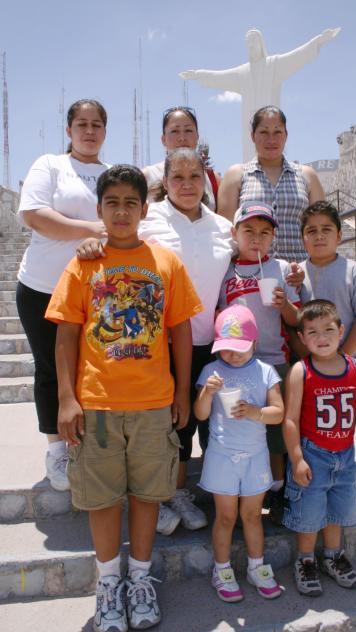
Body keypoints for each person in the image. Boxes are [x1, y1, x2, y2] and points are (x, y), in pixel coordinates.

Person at [45, 164, 203, 631]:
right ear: (99, 210)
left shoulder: (166, 263)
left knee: (150, 495)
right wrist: (66, 399)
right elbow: (66, 337)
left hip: (154, 403)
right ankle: (108, 582)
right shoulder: (84, 263)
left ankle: (140, 578)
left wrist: (180, 390)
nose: (120, 211)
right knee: (102, 498)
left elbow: (180, 332)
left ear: (144, 209)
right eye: (111, 203)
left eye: (129, 203)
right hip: (96, 404)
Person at [76, 148, 233, 536]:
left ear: (205, 179)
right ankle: (170, 494)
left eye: (194, 176)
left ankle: (215, 492)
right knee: (172, 425)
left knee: (204, 419)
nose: (186, 185)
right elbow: (115, 237)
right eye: (177, 177)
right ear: (164, 181)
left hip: (211, 342)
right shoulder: (151, 217)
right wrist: (90, 244)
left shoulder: (221, 226)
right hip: (157, 342)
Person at [15, 99, 110, 491]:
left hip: (95, 294)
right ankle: (56, 448)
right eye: (81, 124)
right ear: (69, 130)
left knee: (94, 371)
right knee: (51, 369)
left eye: (97, 125)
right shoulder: (50, 165)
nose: (89, 131)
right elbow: (36, 215)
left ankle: (93, 444)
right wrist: (94, 228)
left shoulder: (111, 173)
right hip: (42, 287)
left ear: (105, 131)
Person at [282, 300, 356, 596]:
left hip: (345, 454)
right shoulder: (301, 371)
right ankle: (306, 559)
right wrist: (297, 458)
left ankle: (333, 555)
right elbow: (290, 419)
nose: (321, 337)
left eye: (328, 330)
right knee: (310, 510)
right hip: (313, 454)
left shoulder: (355, 367)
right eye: (312, 332)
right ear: (301, 338)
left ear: (341, 331)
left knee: (337, 510)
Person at [194, 305, 284, 602]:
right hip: (222, 456)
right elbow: (200, 414)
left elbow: (278, 413)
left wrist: (256, 412)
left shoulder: (265, 371)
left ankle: (257, 568)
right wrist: (206, 392)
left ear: (255, 344)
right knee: (225, 517)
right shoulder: (211, 371)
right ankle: (222, 571)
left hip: (256, 456)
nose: (232, 355)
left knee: (252, 515)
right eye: (226, 349)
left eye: (240, 349)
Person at [218, 201, 301, 524]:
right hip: (235, 364)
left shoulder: (281, 268)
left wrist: (284, 306)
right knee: (239, 427)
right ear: (234, 233)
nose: (256, 239)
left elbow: (296, 319)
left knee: (275, 435)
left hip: (274, 360)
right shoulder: (225, 270)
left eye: (265, 233)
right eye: (249, 231)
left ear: (273, 238)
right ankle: (237, 491)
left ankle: (277, 490)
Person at [181, 27, 340, 161]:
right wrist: (199, 74)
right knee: (250, 157)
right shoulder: (243, 72)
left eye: (253, 42)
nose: (250, 45)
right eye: (248, 43)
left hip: (270, 121)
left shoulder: (274, 65)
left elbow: (297, 56)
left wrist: (318, 41)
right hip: (250, 124)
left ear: (261, 43)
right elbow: (219, 76)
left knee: (272, 151)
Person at [217, 106, 325, 263]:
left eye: (277, 132)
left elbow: (321, 226)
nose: (271, 140)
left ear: (286, 135)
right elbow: (226, 232)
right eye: (264, 132)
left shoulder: (307, 175)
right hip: (254, 276)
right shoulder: (236, 175)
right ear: (253, 136)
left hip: (300, 274)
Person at [299, 201, 356, 356]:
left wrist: (343, 355)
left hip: (344, 363)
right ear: (303, 239)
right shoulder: (295, 273)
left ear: (339, 236)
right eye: (312, 231)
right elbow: (292, 321)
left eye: (326, 229)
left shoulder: (353, 270)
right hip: (306, 365)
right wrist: (306, 358)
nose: (319, 236)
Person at [142, 106, 220, 210]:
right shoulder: (146, 176)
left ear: (197, 137)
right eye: (175, 131)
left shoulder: (213, 179)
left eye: (188, 130)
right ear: (163, 139)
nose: (182, 138)